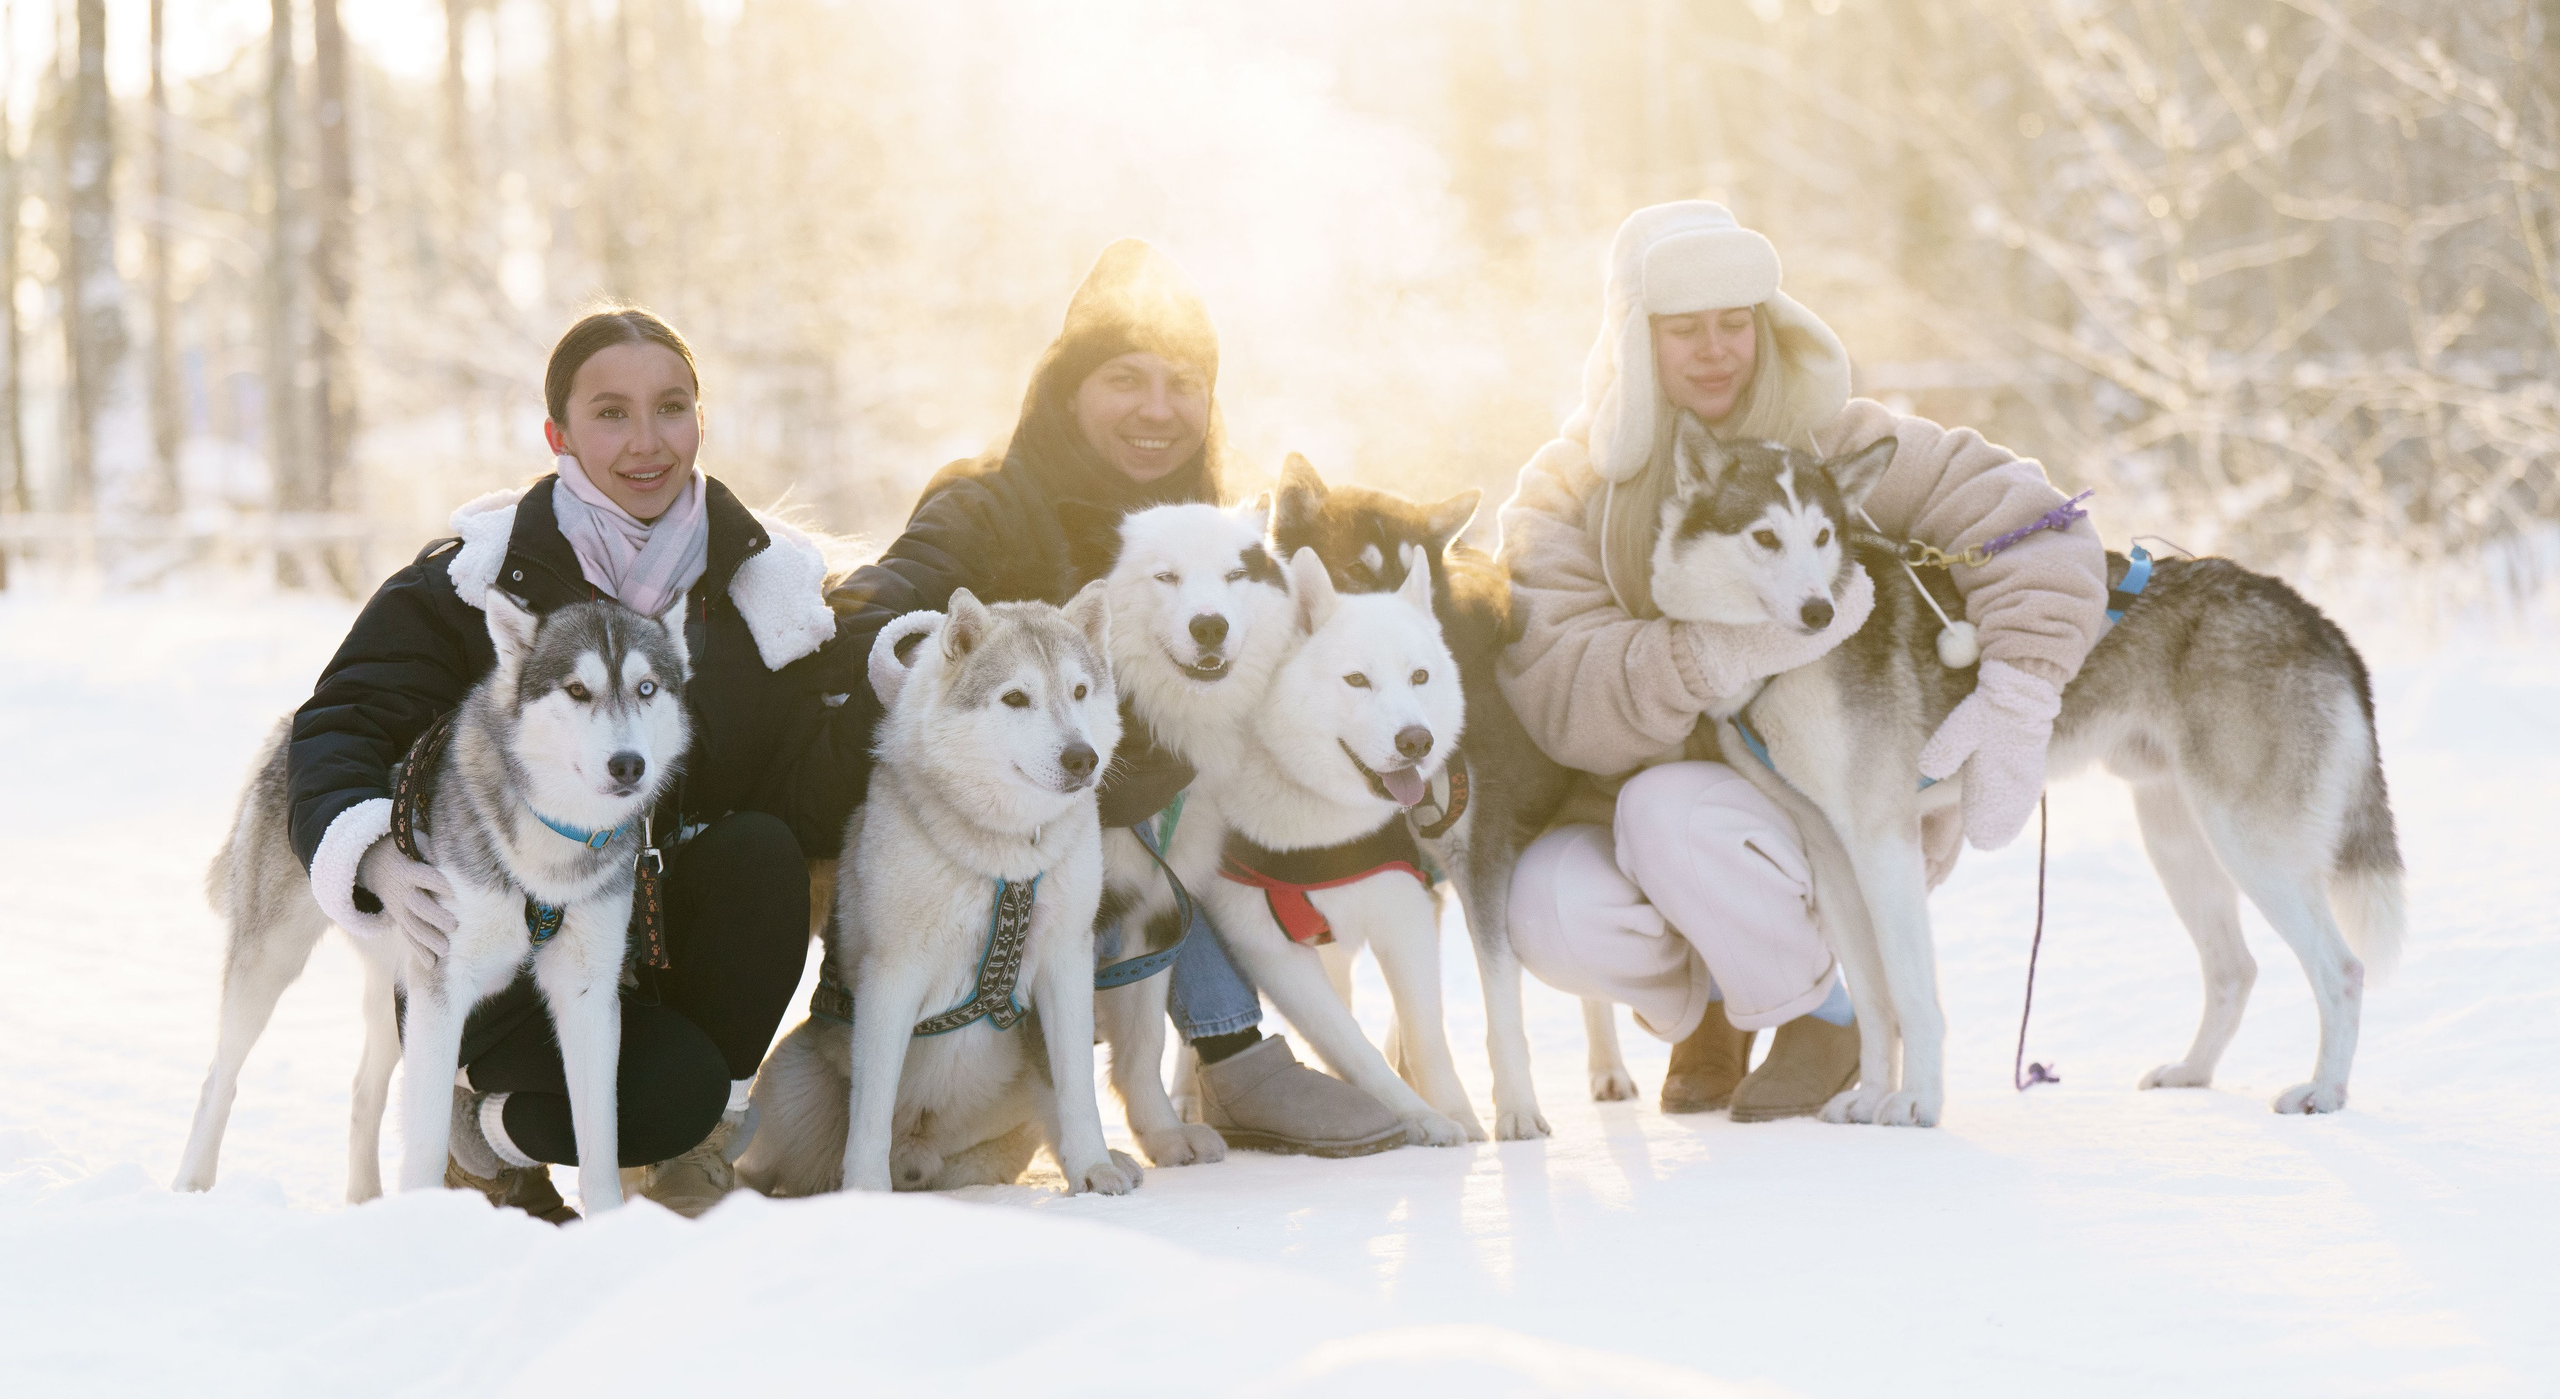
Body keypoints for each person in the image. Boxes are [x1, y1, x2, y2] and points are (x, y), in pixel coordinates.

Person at [1498, 202, 2108, 1119]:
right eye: (1683, 329)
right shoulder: (1568, 485)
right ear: (1632, 339)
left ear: (1766, 323)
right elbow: (1557, 685)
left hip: (1805, 803)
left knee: (1675, 815)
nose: (1715, 351)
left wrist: (2023, 690)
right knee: (1550, 903)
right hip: (1629, 811)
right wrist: (1708, 654)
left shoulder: (1831, 440)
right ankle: (1724, 1003)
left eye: (1733, 323)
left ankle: (1818, 1011)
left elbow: (2037, 521)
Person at [828, 238, 1409, 1158]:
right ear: (1067, 391)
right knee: (1139, 817)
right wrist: (930, 685)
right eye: (1125, 378)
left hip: (1147, 836)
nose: (1158, 408)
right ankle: (1226, 1057)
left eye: (1185, 383)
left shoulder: (1218, 535)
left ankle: (1229, 1062)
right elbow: (877, 618)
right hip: (987, 860)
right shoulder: (987, 507)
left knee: (1207, 788)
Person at [287, 308, 861, 1218]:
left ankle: (695, 1147)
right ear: (558, 434)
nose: (646, 442)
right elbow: (341, 721)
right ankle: (484, 1139)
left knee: (759, 854)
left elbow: (802, 795)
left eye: (670, 407)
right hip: (497, 947)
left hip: (657, 933)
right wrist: (371, 853)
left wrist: (881, 688)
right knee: (653, 1097)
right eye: (610, 413)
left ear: (700, 421)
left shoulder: (764, 594)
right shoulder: (479, 581)